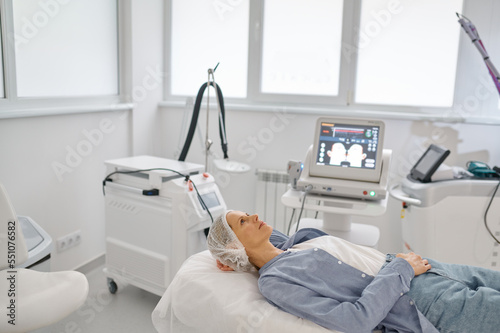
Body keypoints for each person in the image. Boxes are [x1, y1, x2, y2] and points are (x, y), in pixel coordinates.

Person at [207, 210, 500, 333]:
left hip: (433, 270)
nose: (255, 215)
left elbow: (269, 243)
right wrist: (400, 267)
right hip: (424, 303)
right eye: (243, 221)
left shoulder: (291, 244)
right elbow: (355, 320)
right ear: (234, 248)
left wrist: (403, 265)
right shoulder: (275, 281)